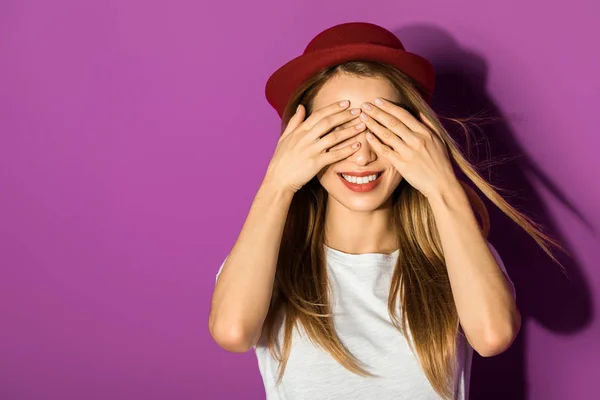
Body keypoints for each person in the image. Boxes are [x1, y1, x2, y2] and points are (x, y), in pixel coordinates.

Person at [208, 22, 563, 400]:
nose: (363, 156)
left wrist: (442, 183)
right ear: (301, 143)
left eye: (383, 129)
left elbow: (493, 336)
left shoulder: (457, 254)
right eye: (339, 132)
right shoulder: (266, 256)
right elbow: (232, 332)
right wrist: (277, 183)